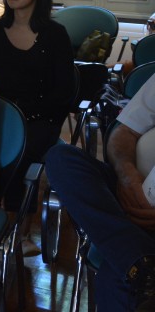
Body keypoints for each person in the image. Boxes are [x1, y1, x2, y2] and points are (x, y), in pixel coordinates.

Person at [0, 0, 75, 254]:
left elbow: (65, 92)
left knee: (20, 151)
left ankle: (18, 227)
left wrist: (27, 115)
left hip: (40, 118)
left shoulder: (55, 35)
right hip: (1, 114)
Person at [46, 73, 155, 312]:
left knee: (116, 279)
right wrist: (126, 174)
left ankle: (136, 260)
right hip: (131, 191)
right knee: (61, 158)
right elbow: (123, 133)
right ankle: (137, 256)